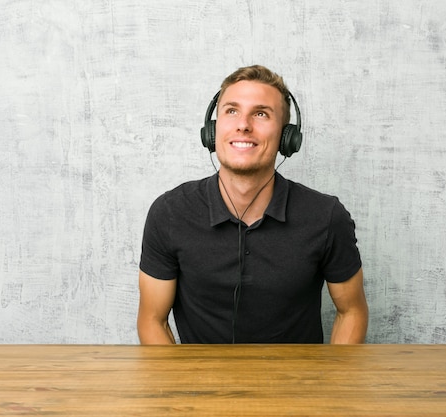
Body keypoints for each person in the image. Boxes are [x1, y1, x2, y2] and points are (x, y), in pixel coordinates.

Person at [137, 65, 368, 344]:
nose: (243, 124)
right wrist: (179, 386)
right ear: (212, 130)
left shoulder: (327, 217)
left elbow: (351, 312)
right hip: (199, 386)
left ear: (287, 137)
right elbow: (152, 320)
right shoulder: (170, 213)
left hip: (297, 386)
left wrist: (327, 386)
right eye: (231, 110)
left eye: (260, 113)